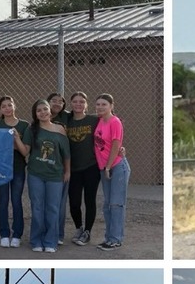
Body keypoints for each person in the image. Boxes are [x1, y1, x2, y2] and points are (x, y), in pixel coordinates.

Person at [22, 99, 70, 253]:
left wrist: (67, 172)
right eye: (39, 110)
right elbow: (25, 152)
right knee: (37, 207)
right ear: (35, 114)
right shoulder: (32, 129)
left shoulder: (60, 130)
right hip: (36, 174)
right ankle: (36, 240)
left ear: (50, 111)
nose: (42, 112)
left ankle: (50, 241)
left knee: (53, 208)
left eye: (45, 109)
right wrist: (16, 138)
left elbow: (66, 155)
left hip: (55, 175)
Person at [65, 92, 101, 245]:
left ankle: (87, 231)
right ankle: (79, 227)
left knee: (89, 200)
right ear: (71, 104)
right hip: (73, 168)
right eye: (75, 101)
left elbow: (110, 131)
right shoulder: (66, 121)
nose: (78, 104)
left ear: (86, 104)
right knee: (74, 202)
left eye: (81, 102)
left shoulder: (94, 120)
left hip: (91, 166)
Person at [94, 93, 128, 251]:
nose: (100, 107)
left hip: (116, 166)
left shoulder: (115, 122)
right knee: (107, 205)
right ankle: (108, 238)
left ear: (111, 106)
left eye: (104, 104)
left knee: (116, 204)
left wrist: (108, 167)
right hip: (104, 168)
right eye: (98, 104)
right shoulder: (99, 120)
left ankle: (116, 239)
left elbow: (116, 145)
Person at [0, 96, 29, 248]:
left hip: (18, 167)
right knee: (3, 201)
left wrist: (14, 140)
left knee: (16, 200)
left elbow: (25, 152)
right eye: (4, 106)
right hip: (1, 168)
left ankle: (17, 234)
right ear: (0, 109)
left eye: (10, 105)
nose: (7, 108)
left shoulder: (24, 125)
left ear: (14, 106)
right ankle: (4, 234)